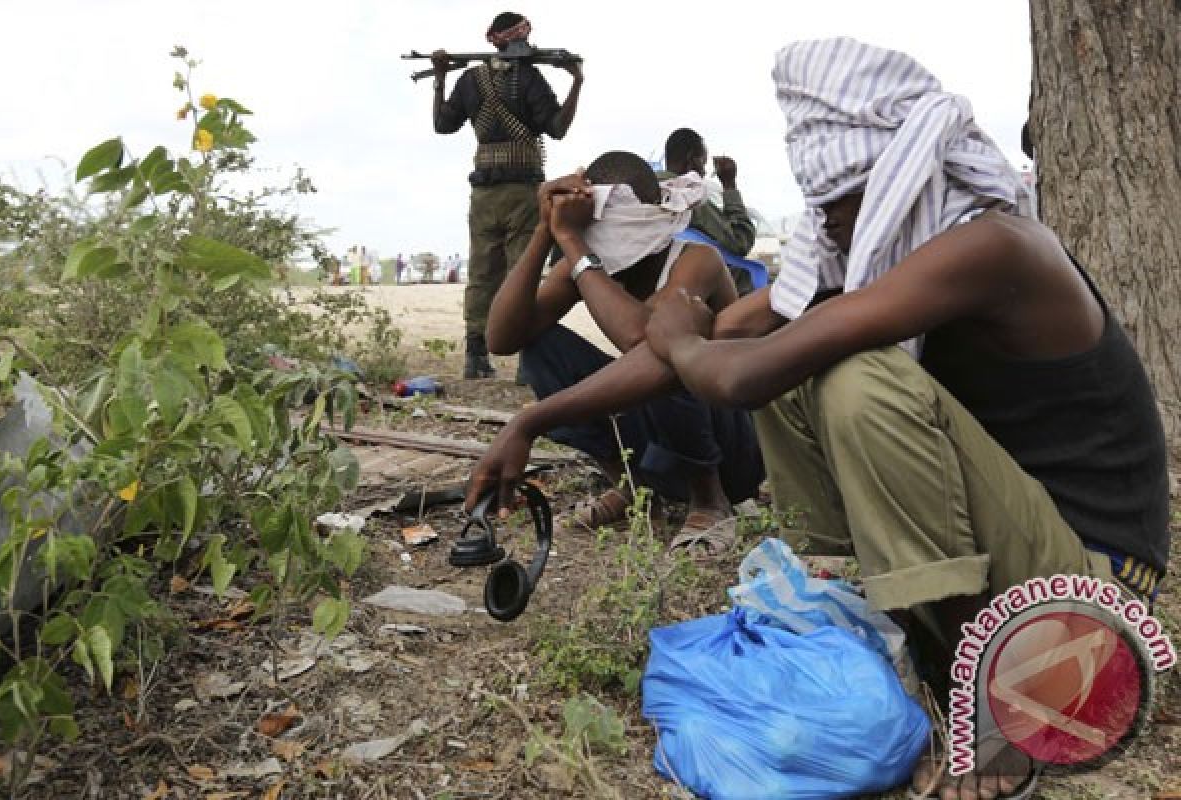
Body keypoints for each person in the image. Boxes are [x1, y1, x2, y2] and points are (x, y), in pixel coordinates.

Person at [643, 38, 1169, 799]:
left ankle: (999, 708)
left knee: (852, 374)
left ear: (900, 179)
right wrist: (530, 426)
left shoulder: (996, 246)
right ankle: (852, 631)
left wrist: (679, 333)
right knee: (802, 361)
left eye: (842, 204)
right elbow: (731, 340)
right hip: (1015, 552)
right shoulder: (875, 253)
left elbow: (736, 368)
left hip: (1085, 595)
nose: (831, 226)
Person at [465, 150, 764, 556]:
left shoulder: (697, 261)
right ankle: (634, 485)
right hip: (659, 438)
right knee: (540, 348)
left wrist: (572, 243)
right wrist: (544, 232)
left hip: (732, 450)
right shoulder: (588, 265)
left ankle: (710, 501)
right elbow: (502, 337)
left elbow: (646, 339)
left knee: (669, 351)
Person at [431, 11, 585, 379]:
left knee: (482, 272)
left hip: (484, 194)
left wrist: (439, 79)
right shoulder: (528, 77)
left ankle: (475, 355)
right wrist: (577, 82)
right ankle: (527, 362)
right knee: (524, 271)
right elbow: (558, 128)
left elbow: (442, 124)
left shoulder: (469, 79)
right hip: (523, 192)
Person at [658, 128, 758, 296]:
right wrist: (729, 185)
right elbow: (740, 242)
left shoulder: (647, 189)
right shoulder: (687, 195)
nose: (704, 173)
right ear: (691, 160)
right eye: (703, 164)